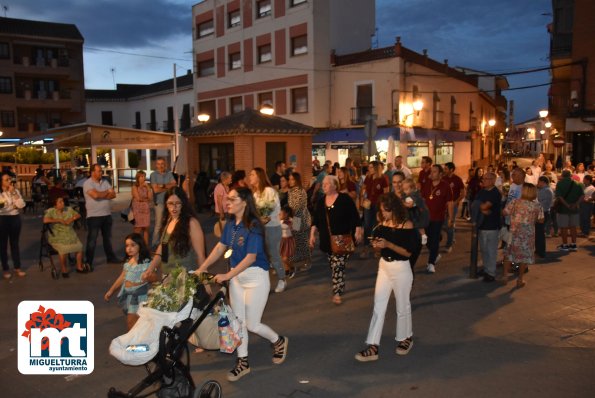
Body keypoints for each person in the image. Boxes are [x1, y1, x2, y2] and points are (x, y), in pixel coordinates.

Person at [196, 187, 288, 382]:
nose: (226, 201)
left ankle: (278, 340)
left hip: (255, 278)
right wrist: (201, 268)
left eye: (232, 198)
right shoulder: (230, 224)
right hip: (238, 279)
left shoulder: (254, 226)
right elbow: (220, 248)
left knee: (252, 324)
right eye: (226, 198)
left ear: (244, 202)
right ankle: (243, 361)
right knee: (237, 322)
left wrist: (228, 274)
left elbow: (250, 257)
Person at [355, 193, 416, 362]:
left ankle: (406, 338)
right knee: (378, 305)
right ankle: (373, 345)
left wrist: (388, 244)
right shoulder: (383, 223)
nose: (384, 214)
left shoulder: (407, 225)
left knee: (402, 306)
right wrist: (377, 246)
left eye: (386, 211)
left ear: (394, 209)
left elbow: (408, 252)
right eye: (382, 211)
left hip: (401, 268)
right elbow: (380, 249)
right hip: (384, 266)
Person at [310, 175, 363, 305]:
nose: (324, 186)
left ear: (335, 185)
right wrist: (311, 235)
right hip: (327, 241)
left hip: (342, 240)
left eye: (327, 184)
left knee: (337, 266)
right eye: (323, 184)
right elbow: (315, 220)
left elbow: (354, 216)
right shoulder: (321, 201)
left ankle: (337, 292)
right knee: (334, 265)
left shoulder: (344, 199)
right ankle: (339, 283)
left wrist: (357, 229)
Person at [142, 187, 206, 275]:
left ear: (183, 204)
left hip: (186, 277)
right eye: (170, 203)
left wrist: (205, 282)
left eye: (177, 203)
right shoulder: (168, 220)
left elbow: (200, 255)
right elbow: (162, 249)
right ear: (166, 204)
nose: (174, 207)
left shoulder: (192, 223)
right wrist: (150, 269)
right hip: (167, 275)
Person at [105, 233, 155, 330]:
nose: (129, 248)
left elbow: (155, 278)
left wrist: (147, 277)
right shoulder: (129, 262)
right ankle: (134, 342)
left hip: (141, 298)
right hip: (130, 297)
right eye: (127, 245)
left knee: (137, 323)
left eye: (133, 245)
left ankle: (136, 342)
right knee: (132, 324)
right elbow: (122, 277)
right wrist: (111, 290)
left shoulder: (146, 262)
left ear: (140, 245)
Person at [249, 168, 286, 293]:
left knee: (274, 255)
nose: (250, 176)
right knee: (262, 256)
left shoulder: (269, 191)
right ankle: (264, 284)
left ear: (259, 177)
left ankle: (282, 279)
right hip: (260, 229)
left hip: (272, 228)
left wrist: (260, 219)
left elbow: (268, 212)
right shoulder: (255, 194)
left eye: (252, 174)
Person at [503, 183, 544, 288]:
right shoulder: (537, 205)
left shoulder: (515, 202)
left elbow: (504, 212)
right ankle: (520, 279)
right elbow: (541, 220)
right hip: (527, 234)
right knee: (523, 257)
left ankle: (505, 276)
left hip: (514, 232)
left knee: (508, 253)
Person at [83, 164, 119, 270]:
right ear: (92, 172)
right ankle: (88, 261)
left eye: (101, 171)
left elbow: (113, 195)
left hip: (106, 214)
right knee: (92, 240)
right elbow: (95, 196)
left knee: (107, 238)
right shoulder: (87, 183)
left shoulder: (105, 182)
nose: (101, 173)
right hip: (94, 216)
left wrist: (102, 194)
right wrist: (106, 193)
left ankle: (110, 257)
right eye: (99, 171)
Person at [43, 197, 87, 277]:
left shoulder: (69, 209)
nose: (62, 203)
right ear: (55, 205)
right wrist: (58, 220)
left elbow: (78, 215)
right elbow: (45, 220)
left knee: (79, 247)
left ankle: (79, 267)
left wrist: (72, 218)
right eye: (60, 202)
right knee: (63, 250)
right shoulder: (51, 211)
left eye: (62, 201)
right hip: (57, 235)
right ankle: (64, 269)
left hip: (70, 233)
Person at [422, 165, 454, 274]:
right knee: (426, 239)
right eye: (431, 171)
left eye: (434, 172)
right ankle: (435, 254)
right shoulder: (427, 184)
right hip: (426, 218)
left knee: (435, 239)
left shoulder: (445, 186)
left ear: (440, 174)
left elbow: (450, 202)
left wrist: (450, 217)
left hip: (438, 218)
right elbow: (422, 199)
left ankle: (431, 263)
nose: (432, 173)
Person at [473, 172, 501, 282]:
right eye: (483, 178)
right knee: (484, 250)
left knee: (491, 250)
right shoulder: (482, 191)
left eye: (487, 179)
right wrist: (481, 208)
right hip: (482, 225)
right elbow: (476, 205)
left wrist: (479, 206)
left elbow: (484, 206)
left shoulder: (495, 193)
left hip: (492, 226)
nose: (483, 181)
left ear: (493, 180)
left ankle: (491, 273)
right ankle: (486, 269)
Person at [0, 172, 26, 279]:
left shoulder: (15, 191)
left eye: (10, 179)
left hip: (15, 218)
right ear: (1, 182)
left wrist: (14, 194)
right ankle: (5, 268)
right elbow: (2, 208)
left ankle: (17, 267)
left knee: (14, 244)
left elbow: (21, 205)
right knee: (3, 245)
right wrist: (11, 206)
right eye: (6, 180)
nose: (9, 181)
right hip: (2, 219)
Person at [361, 161, 389, 258]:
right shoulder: (368, 177)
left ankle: (377, 249)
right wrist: (363, 198)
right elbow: (363, 188)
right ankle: (366, 247)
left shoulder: (383, 179)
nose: (369, 169)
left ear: (376, 168)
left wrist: (383, 207)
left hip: (378, 206)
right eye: (369, 167)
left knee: (377, 226)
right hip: (368, 204)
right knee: (367, 225)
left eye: (371, 167)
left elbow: (386, 194)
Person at [401, 178, 428, 272]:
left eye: (406, 189)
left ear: (412, 188)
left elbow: (409, 205)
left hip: (415, 215)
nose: (405, 191)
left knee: (419, 225)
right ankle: (424, 235)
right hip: (417, 215)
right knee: (420, 226)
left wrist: (402, 203)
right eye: (404, 189)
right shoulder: (414, 194)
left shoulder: (411, 196)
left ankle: (424, 236)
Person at [287, 172, 312, 271]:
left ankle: (308, 261)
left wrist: (289, 216)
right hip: (295, 218)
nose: (290, 181)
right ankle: (296, 260)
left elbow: (297, 207)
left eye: (292, 179)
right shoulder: (291, 191)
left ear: (297, 180)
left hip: (300, 218)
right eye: (289, 179)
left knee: (302, 240)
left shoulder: (301, 191)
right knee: (296, 239)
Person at [150, 157, 177, 246]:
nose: (160, 166)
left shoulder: (169, 174)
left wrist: (162, 186)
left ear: (165, 165)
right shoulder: (153, 175)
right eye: (158, 164)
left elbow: (174, 184)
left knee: (169, 222)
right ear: (156, 165)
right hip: (159, 202)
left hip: (169, 202)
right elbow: (156, 190)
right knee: (158, 224)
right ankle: (154, 243)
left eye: (162, 164)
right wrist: (167, 186)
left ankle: (165, 241)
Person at [555, 170, 584, 251]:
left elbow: (559, 197)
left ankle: (565, 245)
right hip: (574, 209)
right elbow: (582, 196)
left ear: (562, 175)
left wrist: (567, 205)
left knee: (563, 227)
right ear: (570, 175)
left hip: (563, 209)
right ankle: (574, 244)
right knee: (573, 227)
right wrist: (575, 204)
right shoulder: (578, 184)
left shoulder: (560, 184)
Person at [443, 162, 465, 252]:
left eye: (446, 169)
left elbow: (463, 193)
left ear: (451, 169)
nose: (444, 170)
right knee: (445, 224)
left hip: (453, 206)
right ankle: (451, 237)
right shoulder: (443, 179)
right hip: (444, 206)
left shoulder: (457, 179)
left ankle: (449, 244)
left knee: (450, 223)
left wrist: (456, 202)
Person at [131, 170, 153, 245]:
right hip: (138, 209)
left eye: (144, 176)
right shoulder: (135, 187)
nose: (143, 178)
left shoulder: (146, 187)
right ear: (138, 177)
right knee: (138, 228)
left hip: (146, 209)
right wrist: (146, 200)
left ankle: (146, 247)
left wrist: (148, 187)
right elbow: (138, 198)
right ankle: (135, 244)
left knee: (146, 228)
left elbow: (150, 198)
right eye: (141, 176)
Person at [536, 176, 554, 258]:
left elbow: (544, 204)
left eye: (539, 182)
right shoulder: (542, 190)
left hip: (543, 213)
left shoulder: (547, 191)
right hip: (541, 212)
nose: (537, 183)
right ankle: (538, 250)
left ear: (543, 182)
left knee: (540, 233)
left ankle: (541, 251)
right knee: (538, 232)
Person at [279, 205, 296, 278]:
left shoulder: (293, 220)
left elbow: (296, 229)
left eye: (280, 214)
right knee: (282, 257)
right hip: (281, 240)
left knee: (285, 258)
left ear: (286, 214)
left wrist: (292, 225)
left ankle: (292, 267)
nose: (279, 215)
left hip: (288, 241)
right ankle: (286, 270)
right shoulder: (279, 221)